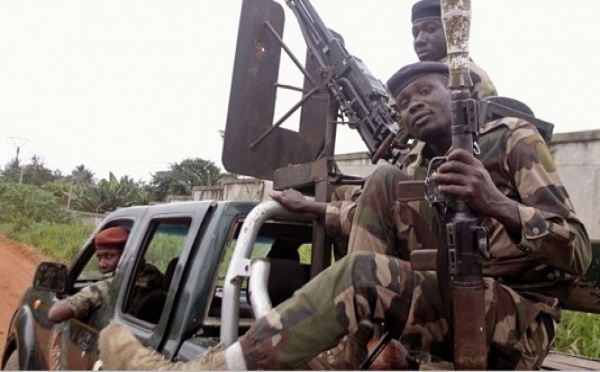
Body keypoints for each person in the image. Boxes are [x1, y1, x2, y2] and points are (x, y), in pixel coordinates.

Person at [97, 61, 591, 370]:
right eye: (403, 103)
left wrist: (495, 202)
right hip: (452, 302)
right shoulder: (418, 164)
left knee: (362, 274)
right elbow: (363, 213)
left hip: (516, 319)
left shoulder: (512, 140)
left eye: (425, 91)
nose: (413, 104)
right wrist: (312, 207)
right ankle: (351, 354)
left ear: (457, 94)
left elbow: (577, 249)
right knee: (380, 180)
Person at [411, 0, 497, 100]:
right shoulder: (416, 78)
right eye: (415, 34)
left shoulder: (465, 71)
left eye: (430, 29)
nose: (419, 40)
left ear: (452, 32)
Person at [47, 226, 129, 323]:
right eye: (99, 257)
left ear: (126, 255)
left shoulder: (110, 286)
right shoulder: (147, 276)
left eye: (109, 256)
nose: (101, 264)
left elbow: (54, 314)